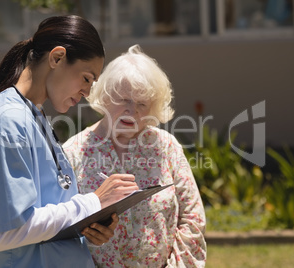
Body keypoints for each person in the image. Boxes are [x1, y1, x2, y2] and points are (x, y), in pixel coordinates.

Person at [0, 15, 138, 268]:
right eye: (86, 78)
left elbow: (48, 215)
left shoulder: (33, 115)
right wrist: (92, 202)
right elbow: (8, 232)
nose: (87, 93)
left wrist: (86, 226)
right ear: (56, 58)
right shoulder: (7, 123)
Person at [64, 45, 207, 267]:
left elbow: (193, 220)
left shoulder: (166, 147)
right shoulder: (73, 152)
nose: (133, 111)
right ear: (105, 97)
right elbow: (60, 227)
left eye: (142, 103)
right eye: (124, 100)